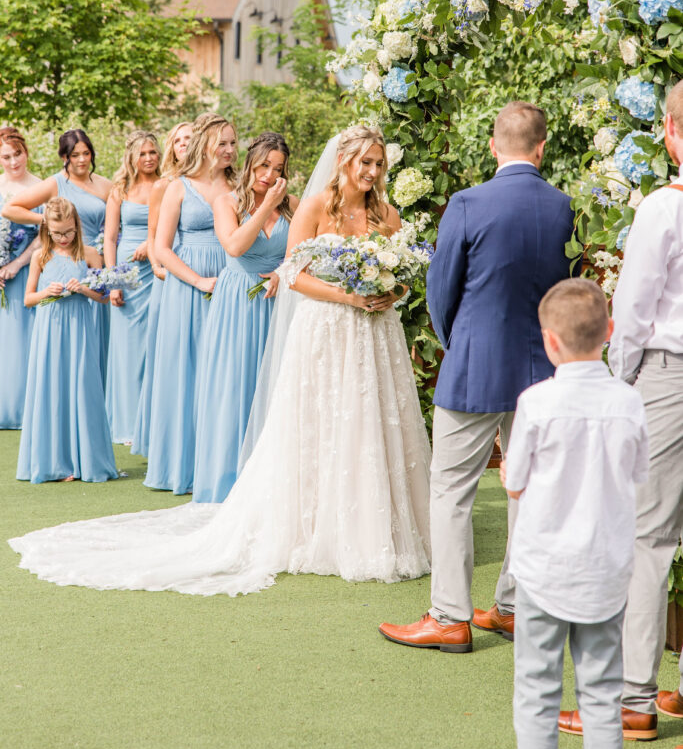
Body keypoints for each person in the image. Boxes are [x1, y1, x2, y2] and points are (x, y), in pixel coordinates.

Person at [8, 124, 431, 594]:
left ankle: (377, 522)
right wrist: (348, 297)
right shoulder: (303, 205)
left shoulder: (388, 215)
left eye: (378, 164)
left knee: (369, 423)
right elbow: (292, 270)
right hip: (321, 323)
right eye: (364, 162)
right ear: (344, 162)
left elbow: (402, 274)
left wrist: (389, 290)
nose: (372, 172)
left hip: (374, 335)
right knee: (312, 420)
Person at [379, 101, 574, 654]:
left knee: (452, 491)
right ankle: (514, 606)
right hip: (544, 370)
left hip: (474, 362)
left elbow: (441, 292)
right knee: (528, 490)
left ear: (494, 146)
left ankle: (449, 616)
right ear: (541, 148)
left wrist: (456, 341)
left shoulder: (467, 203)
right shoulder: (564, 207)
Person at [560, 78, 683, 745]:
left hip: (668, 374)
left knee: (648, 539)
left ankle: (633, 697)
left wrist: (620, 380)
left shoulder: (663, 209)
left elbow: (632, 310)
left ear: (668, 132)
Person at [503, 279, 648, 749]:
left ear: (549, 340)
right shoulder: (629, 402)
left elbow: (517, 483)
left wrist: (506, 471)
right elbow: (638, 473)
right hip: (605, 569)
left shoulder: (536, 403)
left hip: (543, 568)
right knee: (603, 695)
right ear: (609, 330)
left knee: (537, 690)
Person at [193, 132, 297, 503]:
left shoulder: (293, 207)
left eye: (278, 169)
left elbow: (310, 249)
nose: (269, 174)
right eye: (264, 165)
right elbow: (235, 245)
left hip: (279, 305)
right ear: (251, 163)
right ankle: (229, 484)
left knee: (275, 390)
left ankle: (271, 487)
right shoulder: (227, 202)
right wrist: (265, 203)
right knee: (236, 388)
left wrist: (284, 271)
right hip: (237, 304)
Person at [144, 113, 237, 494]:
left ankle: (222, 464)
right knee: (189, 371)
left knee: (226, 373)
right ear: (205, 144)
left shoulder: (241, 183)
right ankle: (184, 467)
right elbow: (161, 248)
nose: (231, 150)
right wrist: (198, 281)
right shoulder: (178, 187)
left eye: (234, 142)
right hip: (190, 287)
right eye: (223, 143)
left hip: (232, 282)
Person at [17, 197, 118, 484]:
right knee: (52, 390)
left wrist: (84, 288)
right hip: (49, 332)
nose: (63, 238)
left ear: (77, 227)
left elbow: (103, 297)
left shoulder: (89, 254)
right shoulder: (41, 256)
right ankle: (53, 463)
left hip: (79, 329)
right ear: (47, 228)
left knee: (81, 388)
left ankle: (85, 459)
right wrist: (47, 291)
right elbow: (28, 299)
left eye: (69, 232)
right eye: (57, 233)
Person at [2, 129, 113, 384]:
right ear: (65, 156)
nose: (82, 160)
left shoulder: (106, 185)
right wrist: (49, 222)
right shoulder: (54, 183)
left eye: (86, 153)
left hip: (92, 261)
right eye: (75, 155)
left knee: (95, 338)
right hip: (61, 259)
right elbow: (10, 209)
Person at [131, 121, 192, 457]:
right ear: (172, 146)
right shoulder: (164, 185)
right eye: (179, 139)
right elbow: (154, 236)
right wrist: (158, 267)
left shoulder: (221, 181)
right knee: (170, 357)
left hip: (208, 273)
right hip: (171, 277)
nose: (184, 143)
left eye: (190, 138)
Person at [104, 131, 161, 443]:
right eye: (143, 153)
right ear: (132, 157)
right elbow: (111, 238)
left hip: (155, 272)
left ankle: (151, 422)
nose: (149, 158)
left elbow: (173, 227)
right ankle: (127, 424)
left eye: (153, 152)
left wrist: (150, 243)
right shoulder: (120, 190)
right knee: (127, 351)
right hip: (126, 274)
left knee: (154, 346)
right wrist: (113, 281)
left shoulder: (167, 185)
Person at [0, 127, 41, 429]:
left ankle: (27, 407)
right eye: (6, 157)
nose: (13, 162)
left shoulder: (40, 187)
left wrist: (17, 263)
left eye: (17, 155)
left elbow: (47, 233)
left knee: (25, 338)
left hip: (30, 269)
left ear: (26, 153)